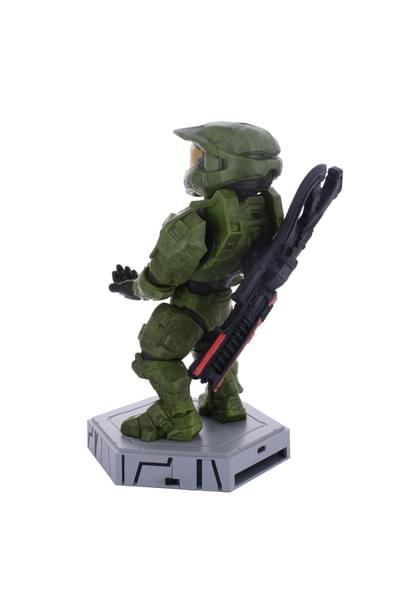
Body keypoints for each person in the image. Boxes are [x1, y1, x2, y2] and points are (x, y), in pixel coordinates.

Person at [109, 122, 284, 442]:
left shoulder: (194, 222)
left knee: (157, 356)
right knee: (215, 350)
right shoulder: (268, 214)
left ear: (221, 164)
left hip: (189, 308)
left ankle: (178, 418)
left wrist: (132, 288)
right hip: (224, 305)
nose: (194, 163)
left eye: (200, 157)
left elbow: (159, 282)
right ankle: (227, 403)